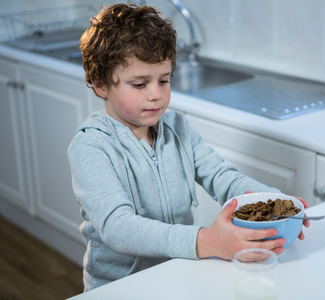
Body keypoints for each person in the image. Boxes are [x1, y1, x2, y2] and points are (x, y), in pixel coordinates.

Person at [68, 3, 309, 291]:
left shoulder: (177, 129)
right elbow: (118, 227)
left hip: (177, 273)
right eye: (139, 84)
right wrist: (204, 240)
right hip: (119, 288)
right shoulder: (91, 146)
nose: (156, 95)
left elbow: (222, 177)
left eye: (164, 80)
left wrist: (275, 203)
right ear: (100, 84)